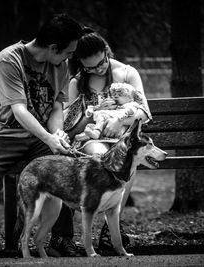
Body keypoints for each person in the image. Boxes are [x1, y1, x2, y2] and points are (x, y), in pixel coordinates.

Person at [0, 14, 83, 258]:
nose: (70, 58)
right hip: (5, 134)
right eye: (68, 52)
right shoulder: (8, 59)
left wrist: (56, 134)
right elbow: (19, 110)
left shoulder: (60, 65)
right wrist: (48, 138)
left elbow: (56, 107)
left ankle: (61, 238)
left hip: (40, 136)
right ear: (53, 48)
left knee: (65, 165)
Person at [64, 28, 152, 251]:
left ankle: (110, 229)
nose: (97, 69)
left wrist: (119, 121)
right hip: (91, 138)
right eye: (89, 67)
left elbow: (144, 111)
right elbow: (70, 127)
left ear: (106, 52)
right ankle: (99, 223)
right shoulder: (77, 83)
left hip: (123, 137)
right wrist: (91, 113)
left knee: (125, 158)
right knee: (99, 156)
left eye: (101, 63)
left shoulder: (127, 74)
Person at [75, 82, 147, 141]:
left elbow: (130, 111)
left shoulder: (131, 104)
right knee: (98, 118)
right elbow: (95, 108)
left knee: (102, 116)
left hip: (119, 130)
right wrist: (93, 110)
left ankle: (94, 134)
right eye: (114, 95)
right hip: (107, 125)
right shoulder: (114, 104)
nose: (116, 97)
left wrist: (120, 118)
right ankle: (92, 134)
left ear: (130, 98)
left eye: (120, 95)